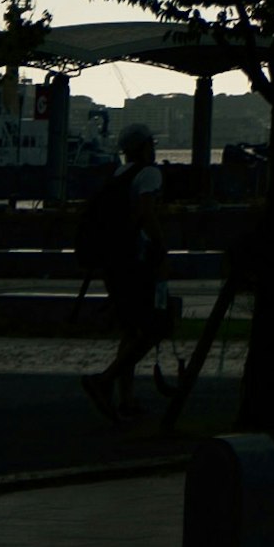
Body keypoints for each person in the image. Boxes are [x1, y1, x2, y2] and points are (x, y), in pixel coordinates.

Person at [72, 127, 177, 428]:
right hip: (136, 261)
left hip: (114, 262)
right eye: (151, 144)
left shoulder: (119, 174)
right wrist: (161, 249)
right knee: (152, 329)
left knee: (131, 330)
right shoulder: (149, 174)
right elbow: (147, 212)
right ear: (144, 147)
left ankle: (126, 400)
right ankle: (104, 380)